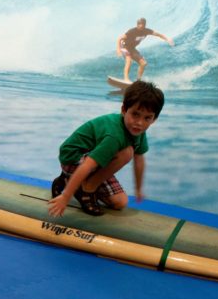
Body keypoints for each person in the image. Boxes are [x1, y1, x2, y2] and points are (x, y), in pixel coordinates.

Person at [48, 80, 165, 218]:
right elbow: (88, 165)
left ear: (154, 119)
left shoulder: (138, 131)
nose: (139, 122)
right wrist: (66, 196)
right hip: (73, 157)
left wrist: (138, 189)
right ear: (124, 110)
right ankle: (86, 189)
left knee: (120, 202)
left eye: (147, 118)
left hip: (93, 159)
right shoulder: (114, 136)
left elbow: (139, 159)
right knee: (127, 153)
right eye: (135, 114)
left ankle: (67, 180)